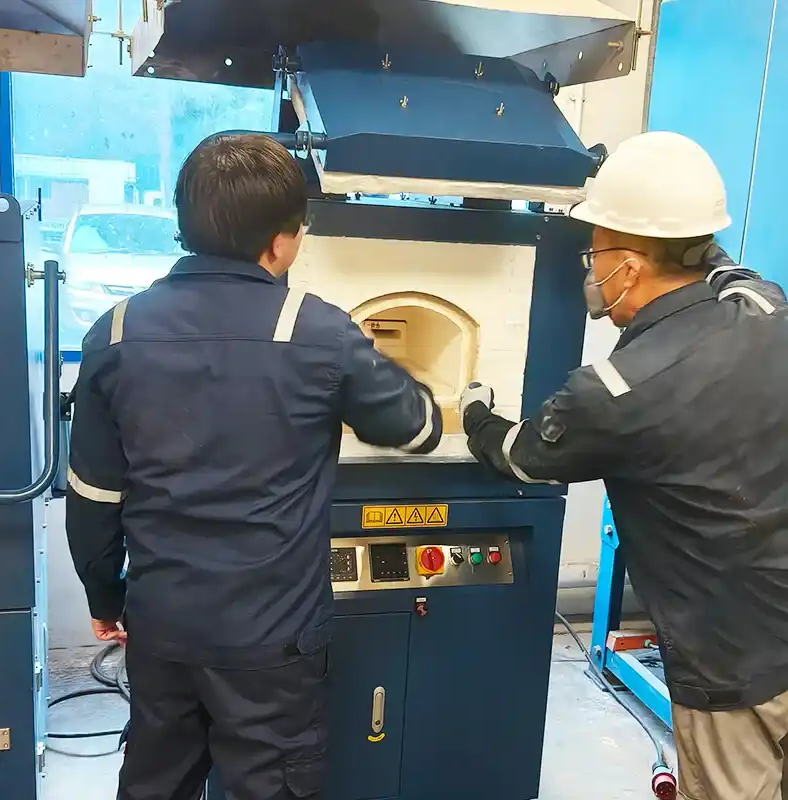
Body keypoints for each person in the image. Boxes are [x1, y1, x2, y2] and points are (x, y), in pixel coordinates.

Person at [65, 132, 443, 800]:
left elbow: (94, 495)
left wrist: (105, 594)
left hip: (163, 627)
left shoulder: (115, 331)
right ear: (281, 242)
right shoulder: (319, 332)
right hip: (274, 641)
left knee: (156, 781)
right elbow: (415, 429)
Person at [460, 131, 788, 800]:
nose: (590, 267)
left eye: (596, 249)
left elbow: (522, 457)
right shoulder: (765, 310)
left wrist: (473, 413)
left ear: (631, 268)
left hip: (728, 662)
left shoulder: (614, 391)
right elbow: (723, 266)